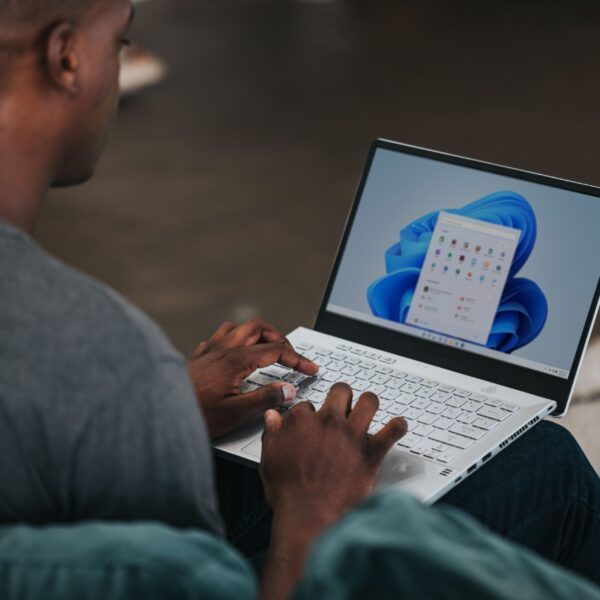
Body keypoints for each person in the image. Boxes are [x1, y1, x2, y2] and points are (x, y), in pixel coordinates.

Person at [0, 1, 598, 598]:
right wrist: (312, 510)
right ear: (67, 58)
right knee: (548, 466)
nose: (120, 63)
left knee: (265, 442)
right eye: (121, 43)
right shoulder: (91, 348)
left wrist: (175, 406)